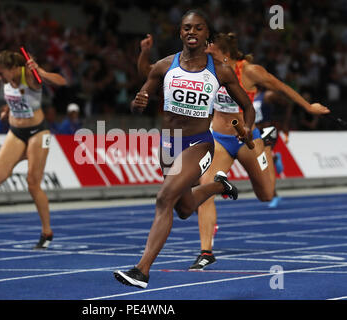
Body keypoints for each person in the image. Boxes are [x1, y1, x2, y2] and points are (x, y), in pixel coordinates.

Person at [113, 10, 256, 289]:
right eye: (187, 28)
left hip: (199, 144)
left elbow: (248, 107)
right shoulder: (165, 66)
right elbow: (139, 98)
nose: (192, 32)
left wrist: (248, 126)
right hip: (169, 144)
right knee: (184, 208)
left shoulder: (221, 70)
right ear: (180, 33)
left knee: (164, 199)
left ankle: (142, 270)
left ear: (206, 35)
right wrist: (137, 104)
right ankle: (218, 187)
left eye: (198, 28)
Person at [190, 33, 330, 270]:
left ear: (224, 53)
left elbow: (281, 86)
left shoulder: (250, 71)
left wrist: (308, 107)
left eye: (210, 49)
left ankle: (268, 144)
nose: (204, 52)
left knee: (266, 195)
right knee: (204, 189)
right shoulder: (206, 69)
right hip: (220, 138)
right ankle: (206, 251)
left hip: (248, 141)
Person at [0, 50, 67, 249]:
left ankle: (46, 232)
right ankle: (26, 155)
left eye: (1, 73)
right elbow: (15, 98)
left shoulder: (30, 76)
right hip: (16, 132)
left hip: (38, 133)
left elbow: (61, 82)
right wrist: (7, 110)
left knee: (33, 183)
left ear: (14, 68)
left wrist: (40, 71)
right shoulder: (7, 81)